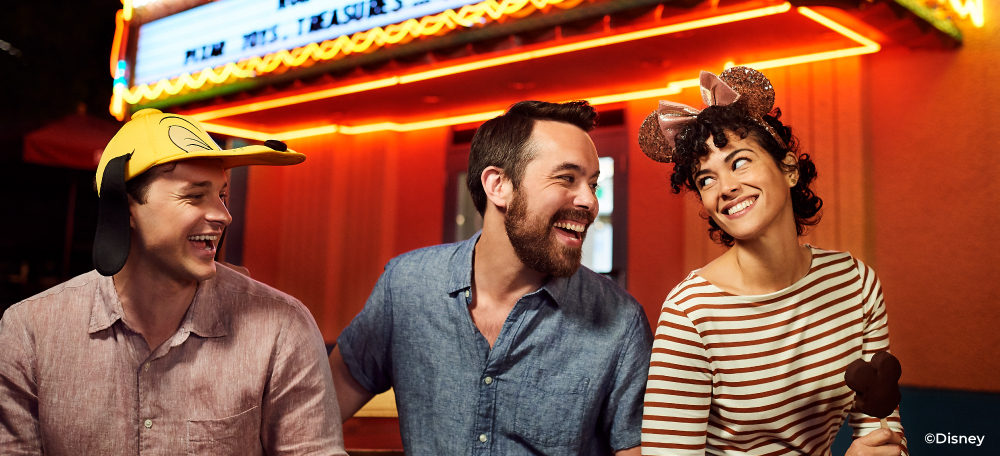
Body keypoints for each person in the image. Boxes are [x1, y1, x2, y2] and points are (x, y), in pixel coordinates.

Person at [0, 109, 347, 456]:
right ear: (127, 206)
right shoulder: (29, 332)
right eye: (195, 196)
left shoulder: (282, 327)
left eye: (222, 196)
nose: (223, 215)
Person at [330, 100, 653, 455]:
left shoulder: (620, 322)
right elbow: (316, 411)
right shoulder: (407, 286)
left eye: (593, 184)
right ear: (498, 185)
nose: (590, 201)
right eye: (567, 178)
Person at [637, 67, 907, 456]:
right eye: (705, 180)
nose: (726, 188)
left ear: (790, 169)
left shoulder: (855, 283)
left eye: (740, 162)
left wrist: (890, 446)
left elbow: (880, 423)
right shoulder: (691, 313)